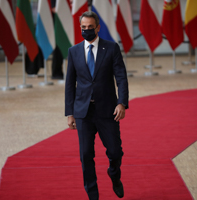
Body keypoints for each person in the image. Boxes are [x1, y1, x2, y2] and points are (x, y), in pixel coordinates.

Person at [65, 11, 129, 200]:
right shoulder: (74, 51)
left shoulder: (111, 48)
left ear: (98, 27)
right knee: (85, 155)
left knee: (115, 151)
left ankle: (114, 175)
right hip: (83, 112)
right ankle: (93, 195)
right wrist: (70, 113)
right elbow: (70, 84)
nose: (86, 31)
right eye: (83, 28)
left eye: (90, 27)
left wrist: (122, 103)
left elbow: (121, 78)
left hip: (107, 110)